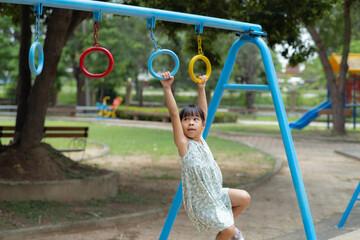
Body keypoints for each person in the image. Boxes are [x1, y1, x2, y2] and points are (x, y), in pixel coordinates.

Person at [160, 71, 251, 240]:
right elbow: (173, 114)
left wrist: (201, 88)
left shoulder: (201, 139)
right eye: (186, 120)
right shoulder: (184, 145)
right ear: (181, 125)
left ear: (202, 125)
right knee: (228, 231)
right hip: (201, 202)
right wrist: (167, 88)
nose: (191, 122)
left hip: (215, 193)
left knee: (244, 197)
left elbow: (204, 112)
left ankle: (229, 226)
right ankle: (229, 230)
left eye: (195, 120)